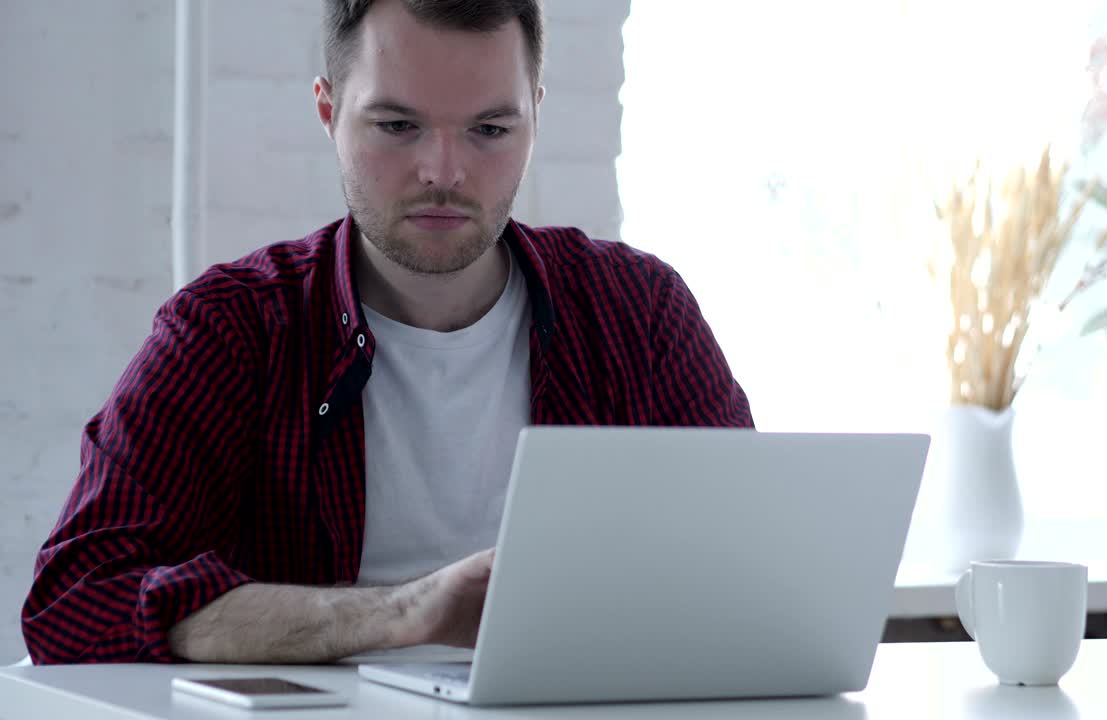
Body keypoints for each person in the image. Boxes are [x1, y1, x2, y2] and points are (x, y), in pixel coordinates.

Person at [21, 0, 751, 665]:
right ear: (328, 112)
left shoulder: (638, 312)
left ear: (536, 114)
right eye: (398, 127)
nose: (444, 171)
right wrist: (402, 613)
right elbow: (73, 602)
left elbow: (756, 570)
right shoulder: (232, 330)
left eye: (490, 130)